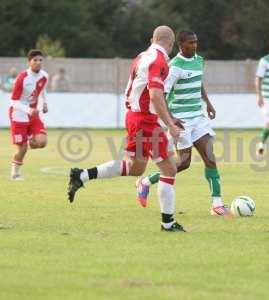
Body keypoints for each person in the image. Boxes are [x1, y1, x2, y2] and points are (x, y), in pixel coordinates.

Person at [67, 26, 186, 232]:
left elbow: (150, 94)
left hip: (134, 117)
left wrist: (170, 117)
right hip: (146, 121)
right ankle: (168, 223)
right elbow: (156, 96)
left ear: (152, 39)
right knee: (169, 168)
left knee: (136, 168)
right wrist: (170, 125)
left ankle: (82, 175)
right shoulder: (159, 61)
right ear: (172, 43)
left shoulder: (142, 56)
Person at [136, 30, 231, 217]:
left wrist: (208, 103)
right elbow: (162, 94)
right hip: (181, 120)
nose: (194, 45)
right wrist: (171, 119)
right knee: (184, 163)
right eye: (190, 43)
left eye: (196, 42)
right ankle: (145, 182)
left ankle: (217, 204)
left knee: (210, 158)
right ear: (180, 45)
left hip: (198, 118)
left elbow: (198, 82)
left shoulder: (199, 60)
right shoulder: (174, 66)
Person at [9, 50, 49, 180]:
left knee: (42, 142)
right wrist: (29, 110)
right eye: (35, 60)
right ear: (29, 62)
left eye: (40, 60)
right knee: (23, 148)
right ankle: (15, 174)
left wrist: (44, 103)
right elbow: (13, 101)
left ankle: (31, 141)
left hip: (33, 114)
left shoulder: (44, 76)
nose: (38, 62)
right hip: (18, 115)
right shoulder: (22, 78)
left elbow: (42, 90)